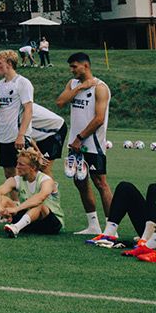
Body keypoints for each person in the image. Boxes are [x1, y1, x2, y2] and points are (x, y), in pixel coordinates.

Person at [56, 52, 114, 234]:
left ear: (85, 66)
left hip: (92, 143)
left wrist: (80, 138)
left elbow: (98, 119)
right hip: (75, 143)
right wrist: (80, 88)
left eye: (74, 66)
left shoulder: (100, 87)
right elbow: (60, 102)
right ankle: (93, 225)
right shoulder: (73, 84)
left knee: (100, 183)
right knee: (80, 182)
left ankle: (112, 228)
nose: (71, 70)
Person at [0, 145, 62, 237]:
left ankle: (16, 228)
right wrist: (1, 210)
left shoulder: (46, 181)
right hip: (28, 222)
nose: (17, 167)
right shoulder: (17, 179)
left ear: (33, 167)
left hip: (50, 225)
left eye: (21, 164)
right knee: (2, 199)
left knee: (40, 206)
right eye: (17, 163)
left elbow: (40, 198)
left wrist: (16, 209)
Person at [0, 49, 34, 178]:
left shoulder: (23, 83)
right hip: (4, 135)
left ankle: (31, 198)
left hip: (18, 136)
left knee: (24, 173)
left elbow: (29, 110)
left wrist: (21, 135)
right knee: (9, 174)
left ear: (9, 63)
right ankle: (15, 200)